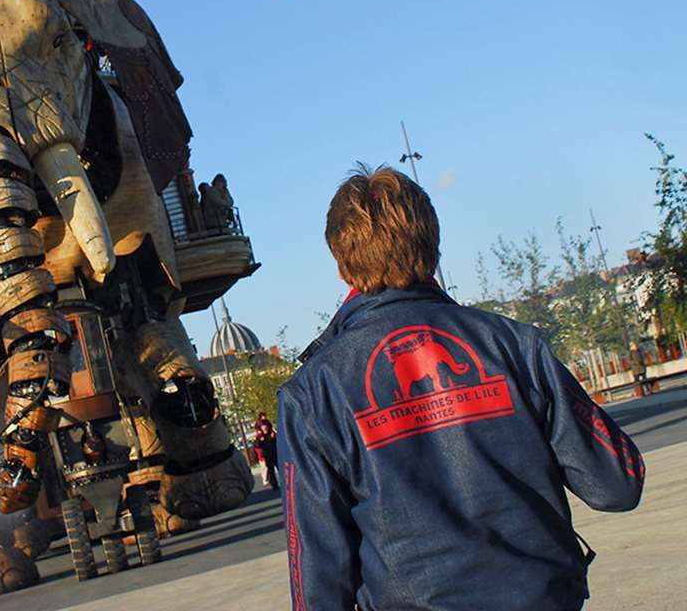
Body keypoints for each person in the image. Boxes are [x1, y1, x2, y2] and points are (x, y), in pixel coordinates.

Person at [277, 165, 645, 611]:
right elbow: (617, 484)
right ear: (433, 247)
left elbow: (317, 572)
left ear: (342, 267)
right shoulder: (513, 345)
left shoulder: (312, 393)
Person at [253, 420, 279, 491]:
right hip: (267, 455)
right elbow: (257, 445)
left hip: (275, 453)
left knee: (280, 468)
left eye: (265, 425)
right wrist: (257, 440)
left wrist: (274, 436)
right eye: (262, 426)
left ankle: (285, 482)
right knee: (271, 471)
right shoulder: (260, 436)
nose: (264, 427)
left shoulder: (272, 433)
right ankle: (274, 485)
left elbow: (278, 440)